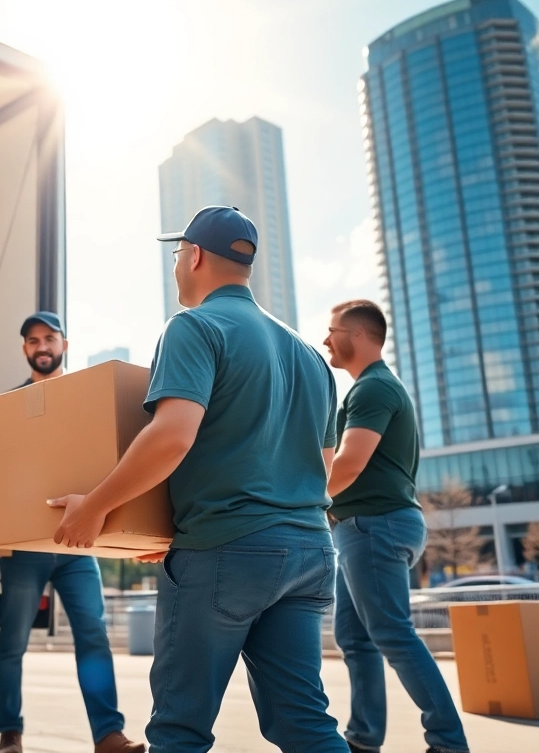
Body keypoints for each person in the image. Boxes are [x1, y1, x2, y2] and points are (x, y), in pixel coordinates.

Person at [51, 206, 349, 752]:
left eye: (176, 254)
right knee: (304, 723)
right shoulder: (311, 357)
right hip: (309, 551)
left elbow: (172, 437)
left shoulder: (194, 327)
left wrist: (95, 507)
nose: (175, 265)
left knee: (180, 729)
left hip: (226, 552)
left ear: (193, 256)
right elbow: (321, 465)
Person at [0, 311, 144, 753]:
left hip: (78, 542)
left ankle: (107, 735)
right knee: (12, 642)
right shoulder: (10, 405)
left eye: (49, 338)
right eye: (33, 340)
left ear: (64, 345)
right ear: (25, 349)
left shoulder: (83, 397)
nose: (42, 346)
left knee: (93, 636)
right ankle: (9, 734)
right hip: (24, 547)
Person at [323, 300, 470, 753]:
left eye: (333, 331)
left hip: (374, 525)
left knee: (391, 633)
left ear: (359, 335)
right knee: (355, 637)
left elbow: (349, 463)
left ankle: (448, 743)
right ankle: (364, 739)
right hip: (364, 527)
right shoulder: (370, 388)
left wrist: (301, 499)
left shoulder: (373, 388)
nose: (326, 340)